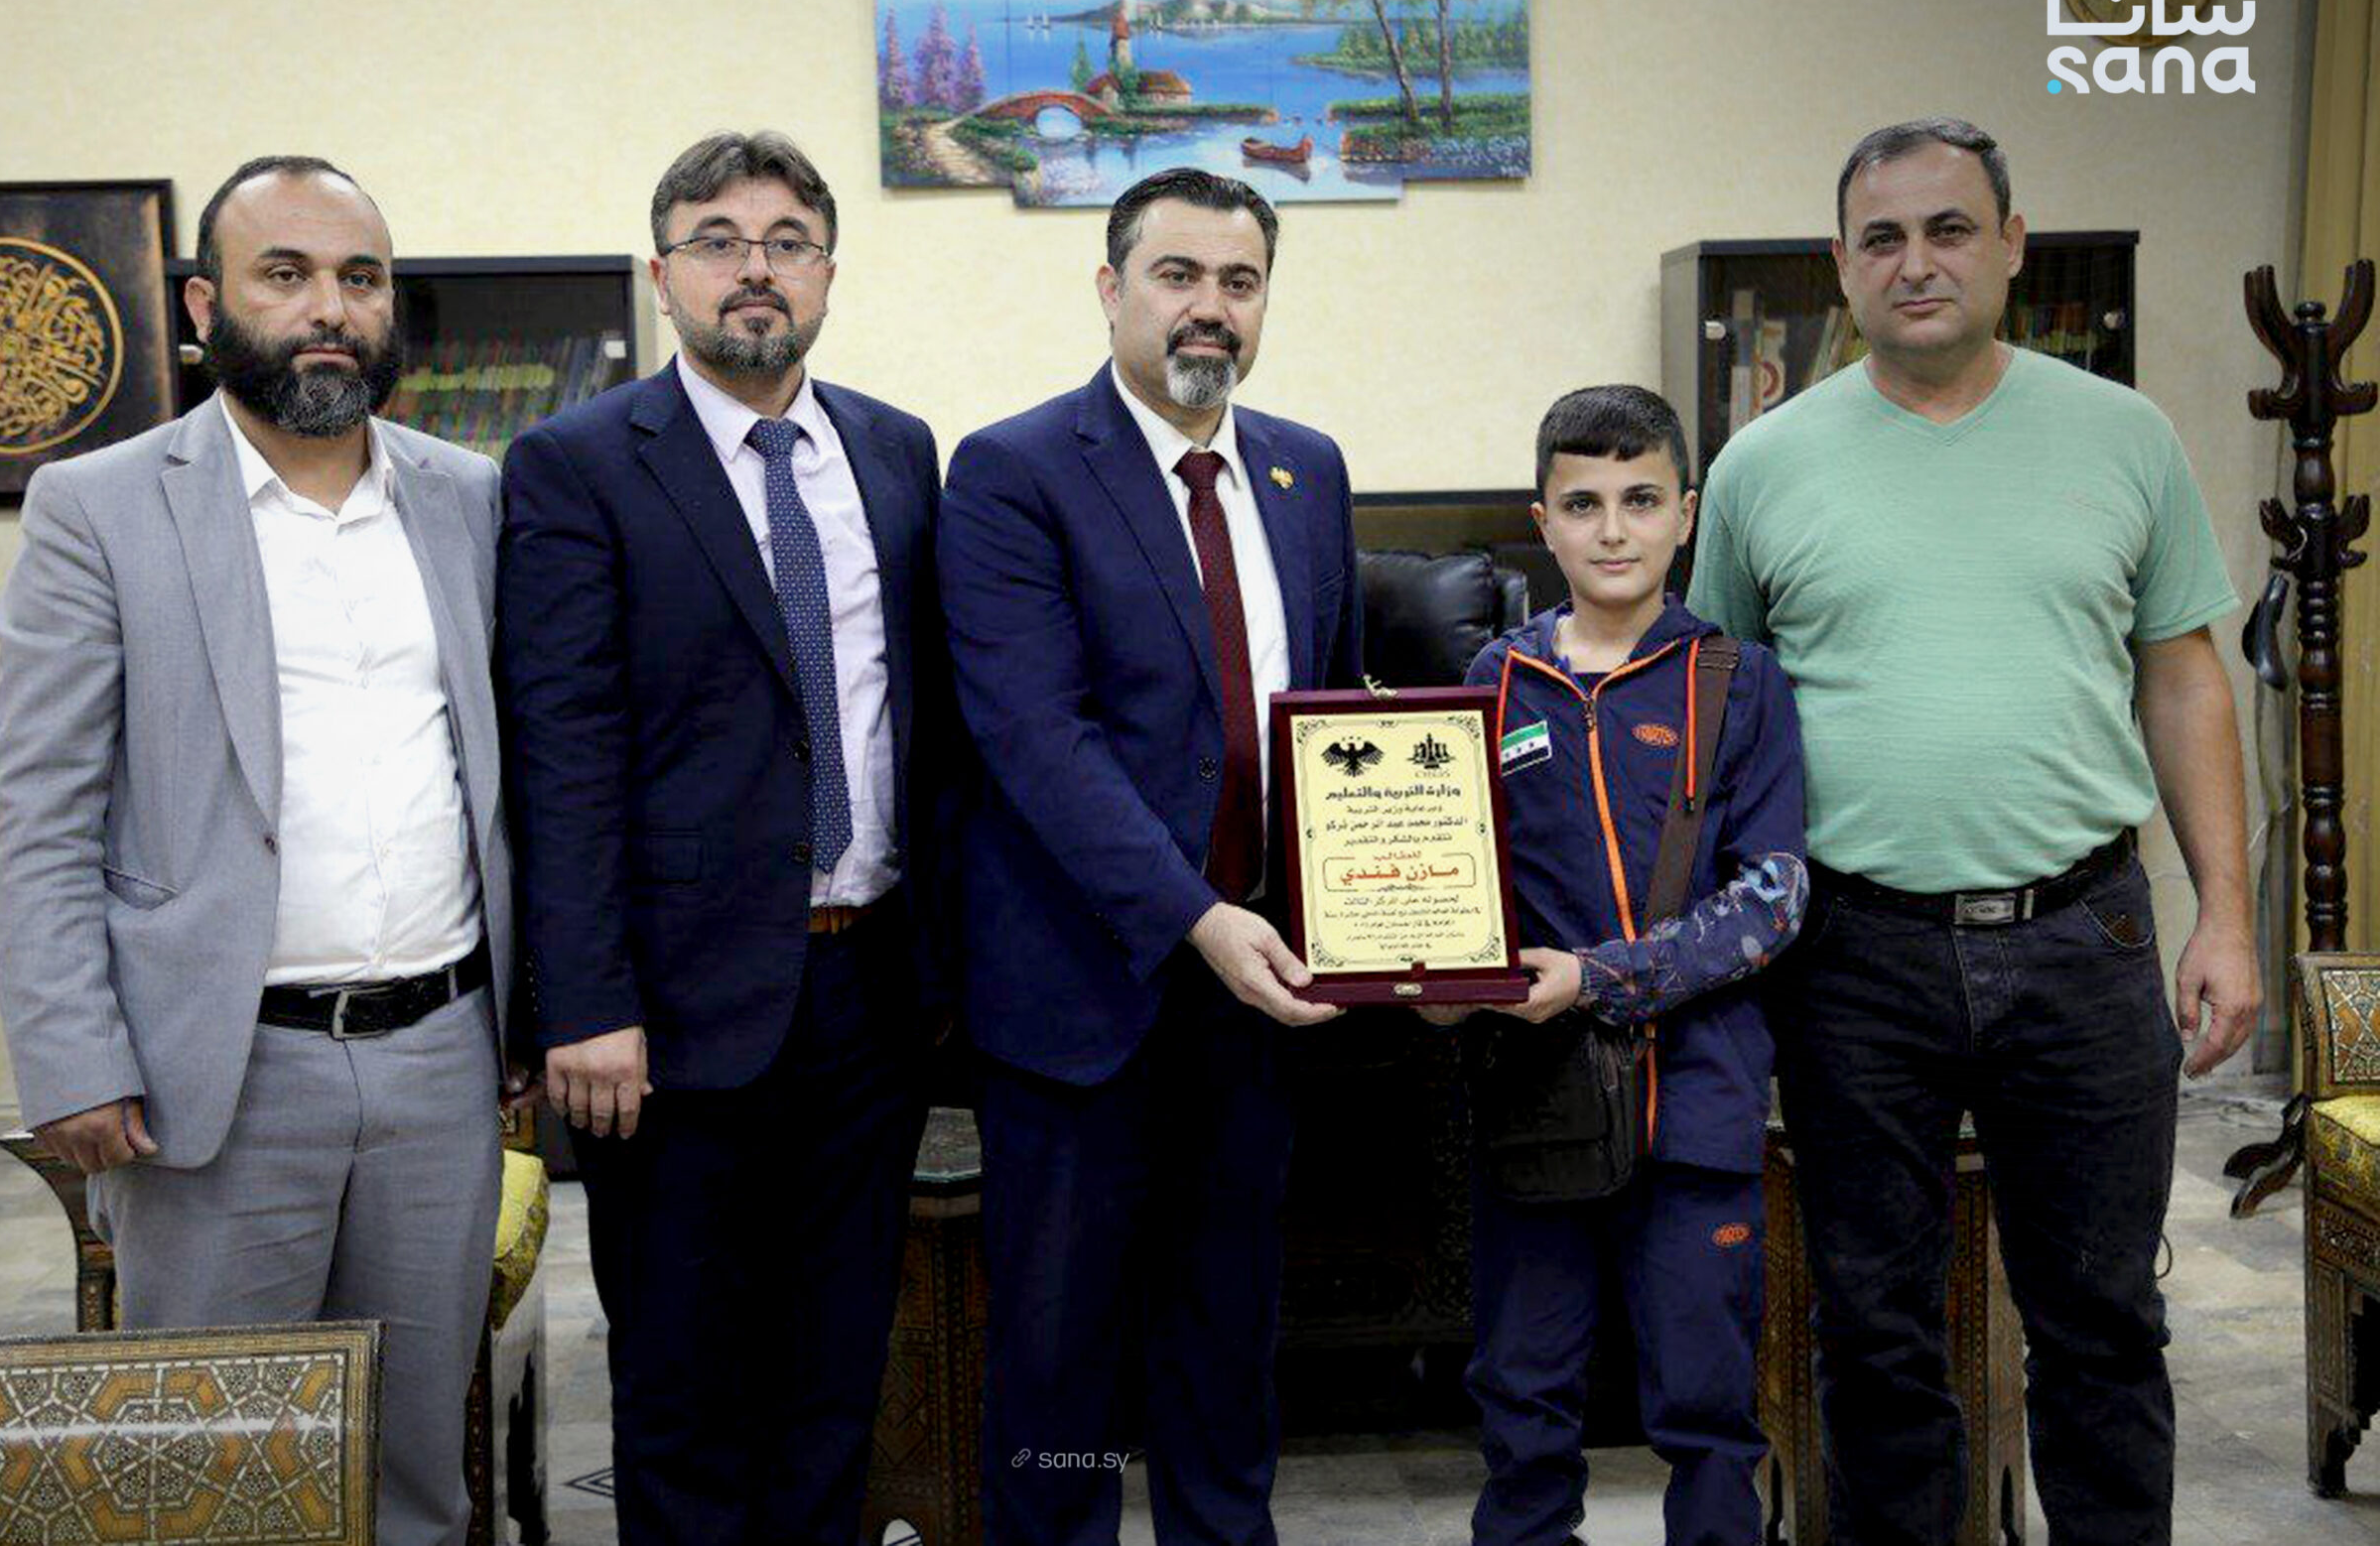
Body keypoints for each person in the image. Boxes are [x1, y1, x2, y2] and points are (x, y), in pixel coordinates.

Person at [1686, 116, 2261, 1543]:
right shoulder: (1763, 464)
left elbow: (2183, 674)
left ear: (2011, 245)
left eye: (1949, 229)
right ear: (1839, 264)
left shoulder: (2123, 435)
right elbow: (1716, 708)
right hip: (1850, 954)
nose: (1917, 262)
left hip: (2083, 937)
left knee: (2103, 1321)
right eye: (1881, 237)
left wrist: (2228, 914)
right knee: (1873, 1329)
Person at [0, 156, 520, 1546]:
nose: (328, 308)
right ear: (204, 304)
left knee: (416, 1469)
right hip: (214, 1074)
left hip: (440, 1062)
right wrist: (72, 1055)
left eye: (360, 277)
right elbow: (39, 809)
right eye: (286, 275)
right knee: (219, 1471)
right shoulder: (100, 506)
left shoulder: (469, 497)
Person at [497, 130, 952, 1546]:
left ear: (827, 272)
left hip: (869, 993)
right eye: (718, 241)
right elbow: (563, 752)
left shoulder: (895, 449)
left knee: (835, 1372)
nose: (755, 269)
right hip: (671, 1015)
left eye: (787, 243)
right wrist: (584, 1001)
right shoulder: (577, 464)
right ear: (662, 274)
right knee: (686, 1390)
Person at [940, 166, 1363, 1546]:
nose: (1209, 308)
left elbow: (1335, 718)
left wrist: (1387, 909)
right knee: (1060, 1359)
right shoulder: (1013, 472)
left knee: (1227, 1336)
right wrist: (1197, 917)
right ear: (1111, 287)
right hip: (1082, 995)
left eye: (1240, 281)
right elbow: (1037, 740)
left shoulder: (1306, 469)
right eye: (1177, 275)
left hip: (1261, 990)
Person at [1438, 385, 1805, 1546]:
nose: (1612, 531)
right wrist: (1433, 980)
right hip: (1534, 1103)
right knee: (1523, 1399)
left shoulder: (1738, 681)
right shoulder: (1489, 684)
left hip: (1700, 1100)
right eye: (1582, 503)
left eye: (1641, 501)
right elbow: (1446, 882)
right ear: (1539, 522)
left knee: (1707, 1405)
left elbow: (1774, 898)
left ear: (1685, 514)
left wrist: (1600, 978)